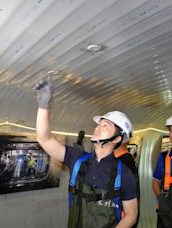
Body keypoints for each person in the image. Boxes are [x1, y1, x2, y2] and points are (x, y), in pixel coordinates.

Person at [34, 76, 138, 228]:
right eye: (98, 124)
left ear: (117, 139)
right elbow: (44, 139)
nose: (97, 128)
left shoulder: (124, 174)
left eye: (105, 126)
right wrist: (44, 105)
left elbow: (131, 215)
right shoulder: (77, 159)